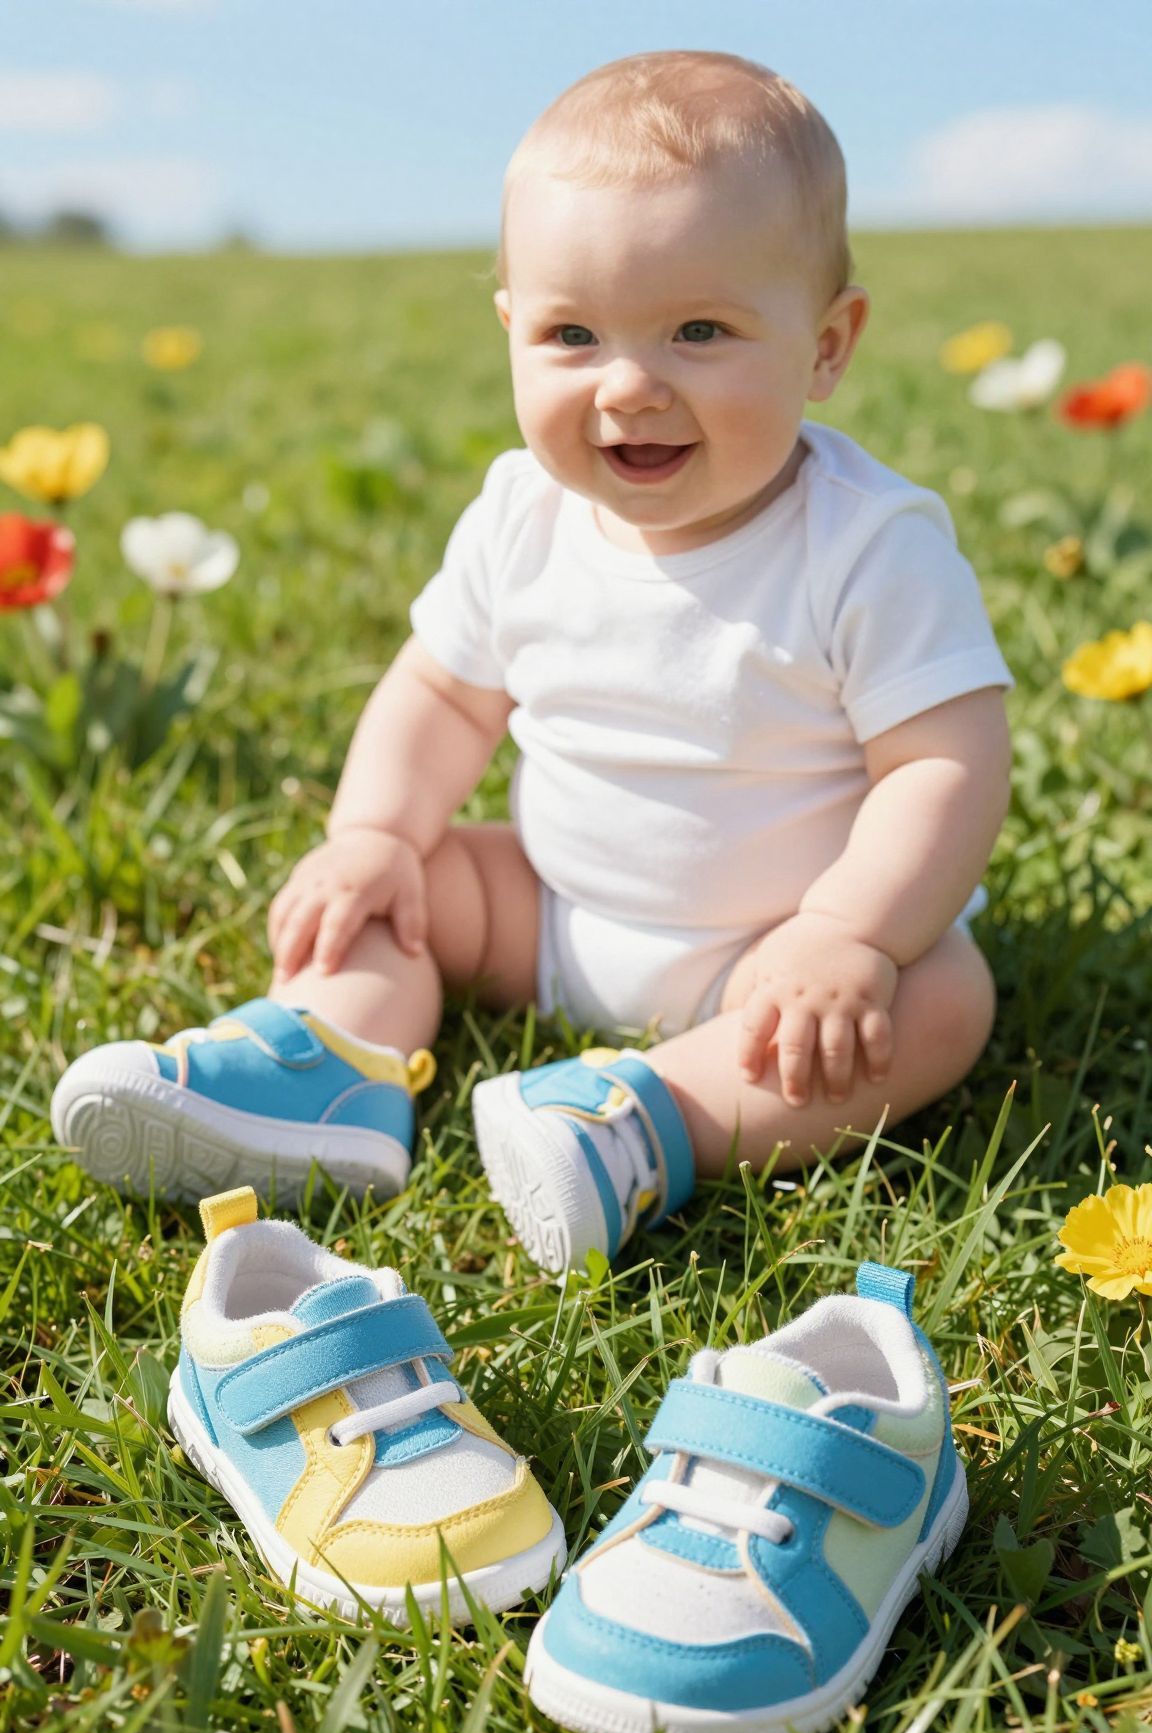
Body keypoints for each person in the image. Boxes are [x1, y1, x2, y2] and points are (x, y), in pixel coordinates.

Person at [51, 49, 1012, 1273]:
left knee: (941, 1001)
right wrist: (378, 834)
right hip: (554, 913)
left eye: (700, 331)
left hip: (779, 968)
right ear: (511, 329)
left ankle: (647, 1123)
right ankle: (332, 1065)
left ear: (828, 345)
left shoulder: (867, 544)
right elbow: (442, 693)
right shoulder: (522, 516)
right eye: (572, 334)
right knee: (398, 889)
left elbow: (948, 761)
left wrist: (852, 934)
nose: (629, 385)